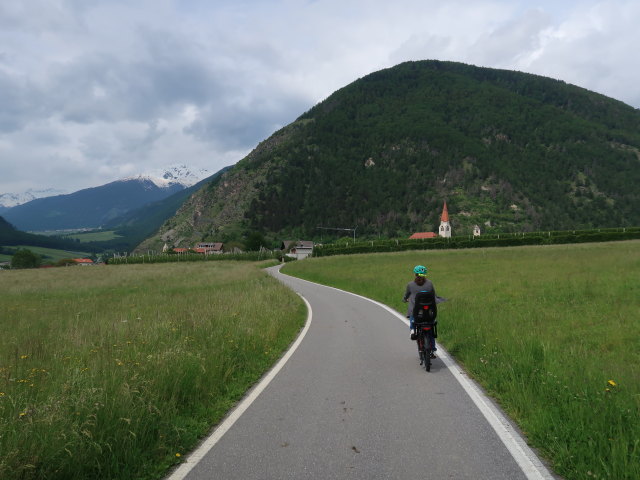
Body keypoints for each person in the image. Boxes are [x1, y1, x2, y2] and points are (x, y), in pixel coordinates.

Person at [403, 265, 437, 357]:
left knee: (413, 317)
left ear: (415, 274)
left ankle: (413, 330)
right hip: (429, 312)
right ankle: (433, 350)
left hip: (416, 312)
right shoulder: (430, 283)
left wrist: (405, 299)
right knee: (430, 331)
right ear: (425, 274)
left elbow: (406, 296)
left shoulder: (410, 285)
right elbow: (434, 295)